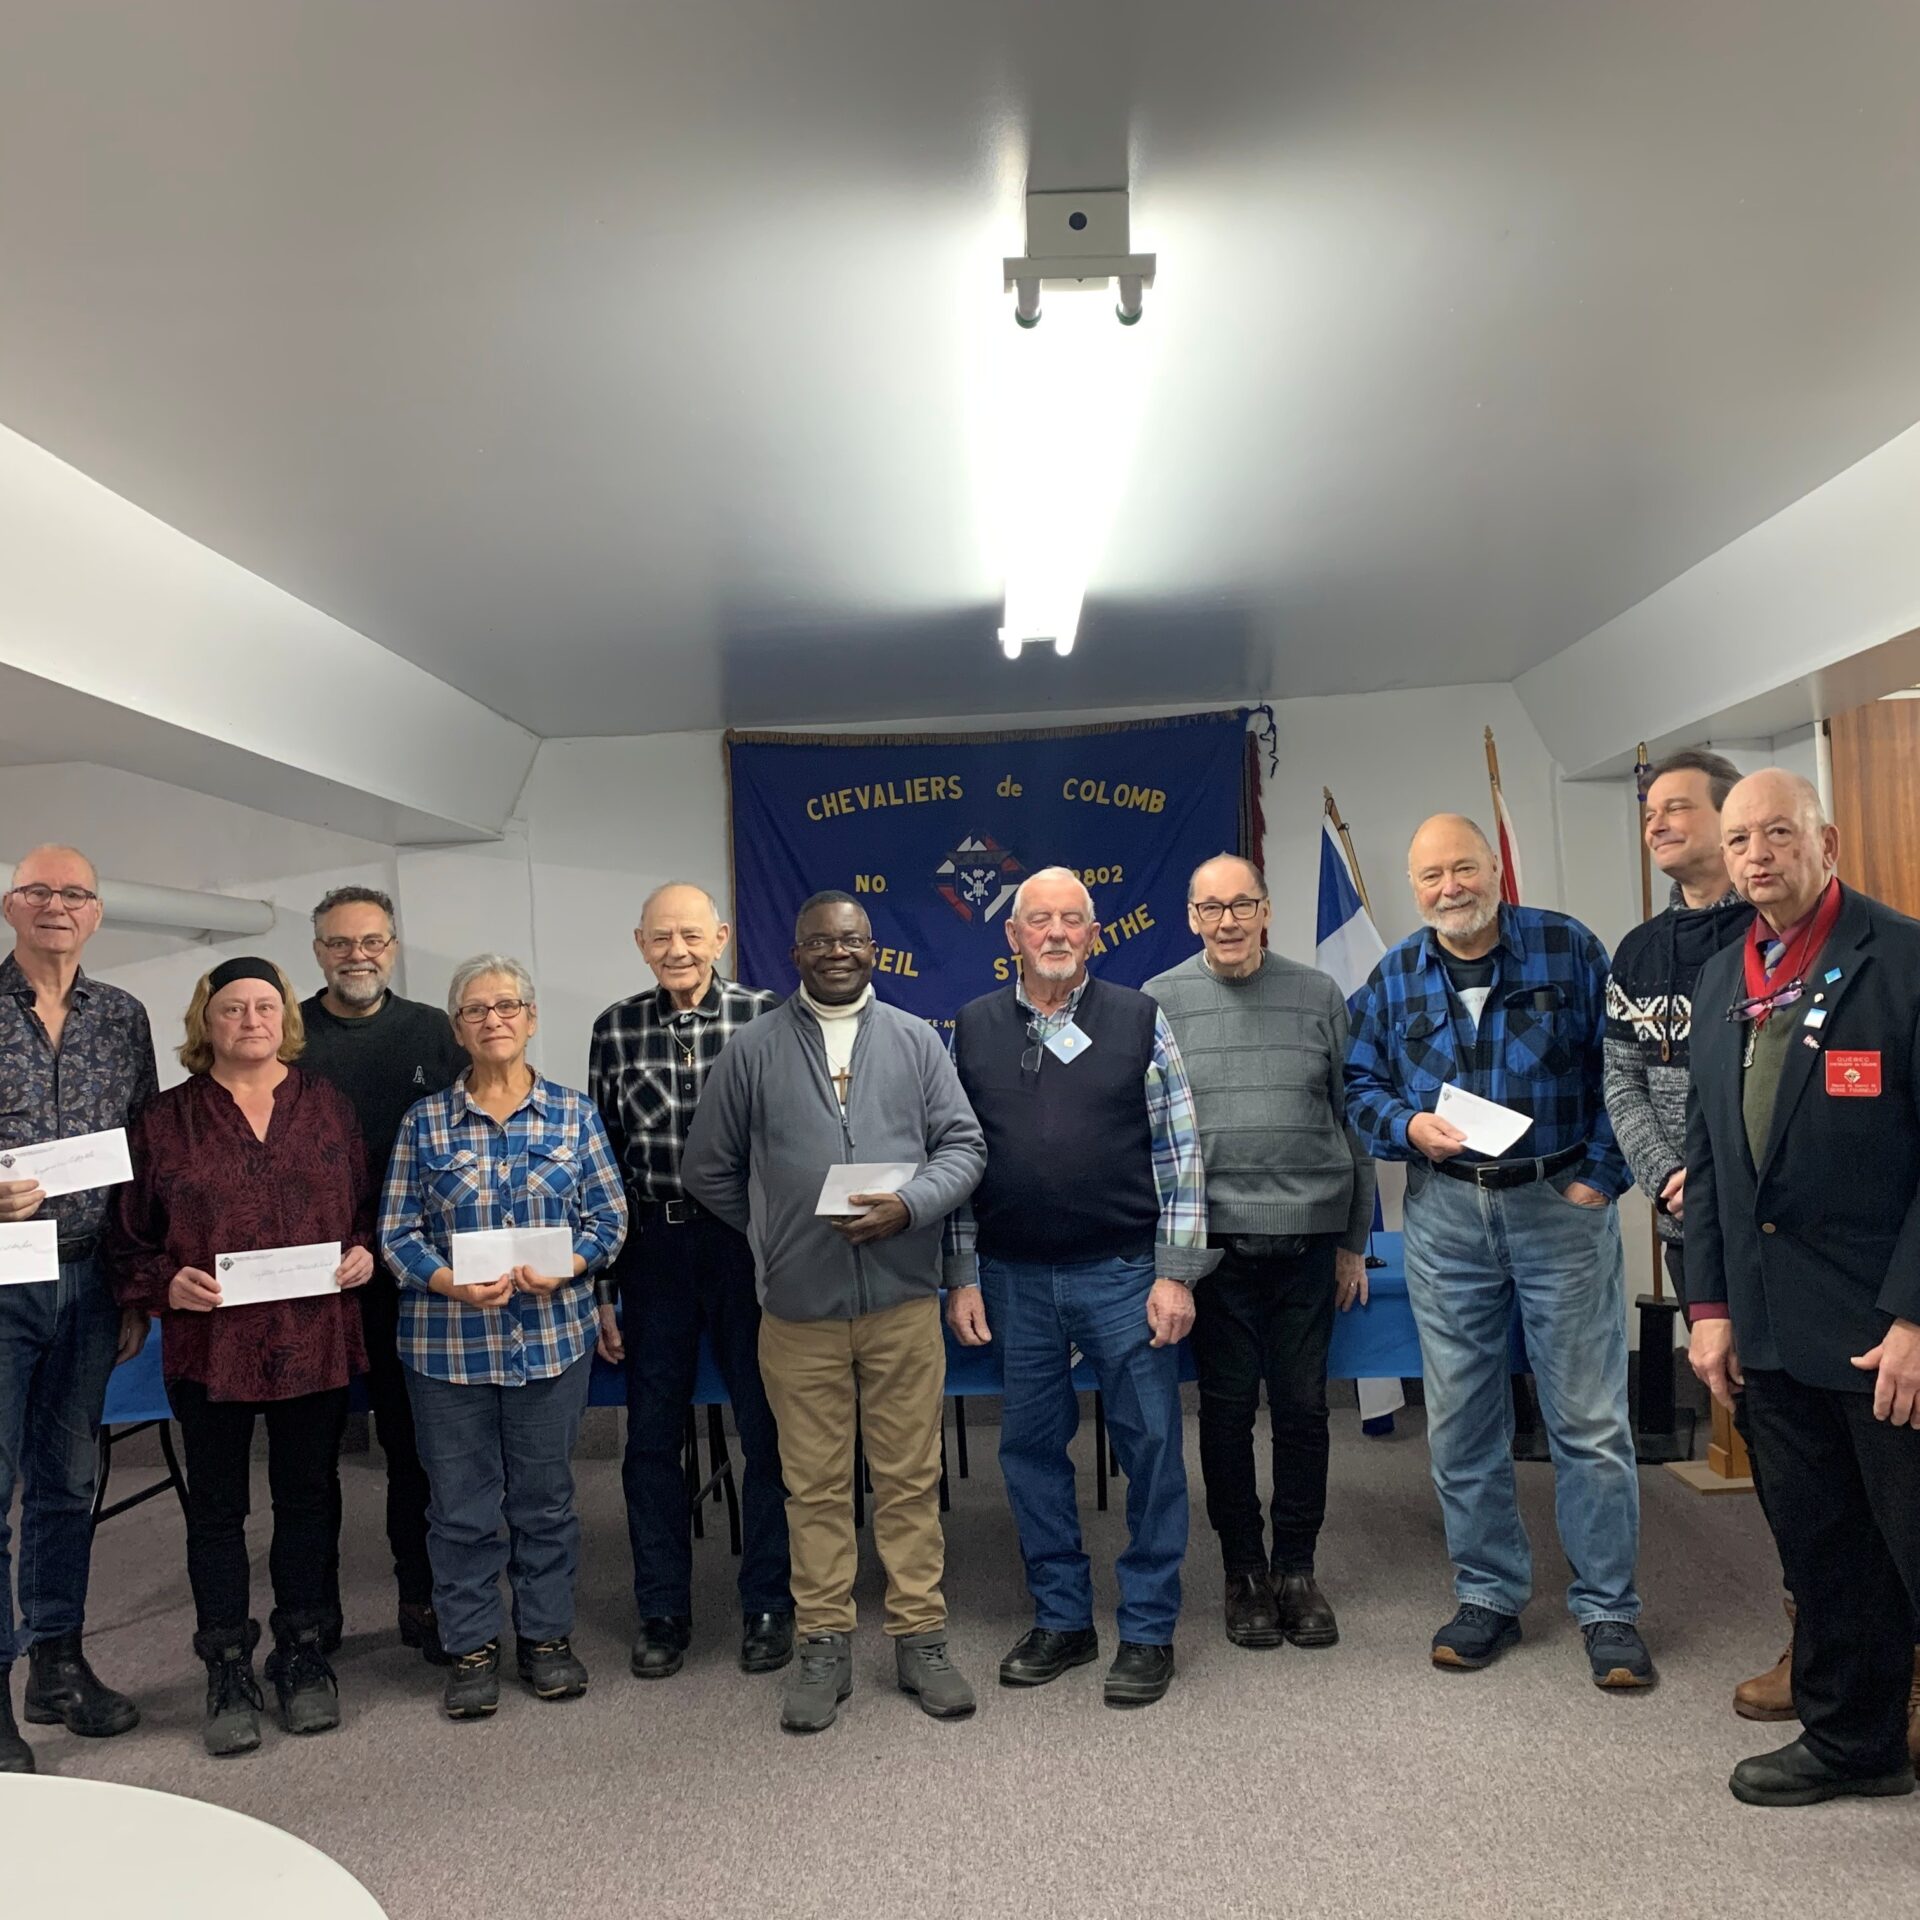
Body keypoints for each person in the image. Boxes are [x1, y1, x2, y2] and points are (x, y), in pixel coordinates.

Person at [1345, 815, 1653, 1689]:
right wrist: (1404, 1125)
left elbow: (1623, 1072)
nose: (1451, 888)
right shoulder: (1396, 973)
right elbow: (1356, 1084)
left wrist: (1601, 1175)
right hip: (1446, 1218)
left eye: (1465, 868)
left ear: (1495, 868)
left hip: (1561, 1206)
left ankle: (1609, 1610)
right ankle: (1487, 1594)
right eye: (1433, 875)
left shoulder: (1567, 948)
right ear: (1416, 887)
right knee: (1461, 1419)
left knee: (1588, 1421)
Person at [682, 892, 985, 1735]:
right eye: (821, 940)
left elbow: (966, 1148)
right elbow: (708, 1169)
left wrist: (911, 1207)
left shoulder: (918, 1041)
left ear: (874, 950)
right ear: (796, 951)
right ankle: (824, 1641)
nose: (837, 952)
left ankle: (920, 1636)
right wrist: (774, 1233)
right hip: (799, 1312)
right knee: (811, 1485)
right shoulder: (752, 1050)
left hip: (900, 1304)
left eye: (851, 940)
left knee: (908, 1479)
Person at [1684, 769, 1920, 1805]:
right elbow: (1710, 1156)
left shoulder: (1902, 957)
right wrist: (1710, 1308)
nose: (1757, 855)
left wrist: (1918, 1313)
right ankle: (1852, 1742)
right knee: (1823, 1551)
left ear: (1824, 838)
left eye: (1778, 832)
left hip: (1884, 1331)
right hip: (1770, 1328)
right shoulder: (1723, 978)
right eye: (1739, 841)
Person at [948, 866, 1215, 1710]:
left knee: (1150, 1450)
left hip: (1124, 1274)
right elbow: (954, 1160)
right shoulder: (974, 1028)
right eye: (1039, 921)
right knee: (1028, 1452)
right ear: (1013, 936)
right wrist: (961, 1273)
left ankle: (1146, 1628)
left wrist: (1176, 1274)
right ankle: (1063, 1618)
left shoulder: (1140, 1019)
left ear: (1093, 935)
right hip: (1013, 1277)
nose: (1056, 933)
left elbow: (1181, 1157)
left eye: (1072, 920)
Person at [111, 958, 375, 1756]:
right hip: (210, 1345)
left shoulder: (326, 1106)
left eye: (265, 1006)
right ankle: (226, 1660)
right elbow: (129, 1238)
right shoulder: (163, 1120)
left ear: (285, 1015)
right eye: (233, 1009)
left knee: (307, 1495)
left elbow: (362, 1210)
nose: (251, 1020)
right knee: (217, 1510)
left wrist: (362, 1253)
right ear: (206, 1021)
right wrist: (166, 1284)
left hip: (312, 1334)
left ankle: (300, 1649)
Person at [379, 955, 627, 1721]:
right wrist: (448, 1279)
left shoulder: (573, 1114)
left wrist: (575, 1265)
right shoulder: (423, 1122)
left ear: (531, 1017)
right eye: (477, 1010)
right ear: (458, 1028)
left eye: (508, 1006)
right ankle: (472, 1647)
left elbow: (609, 1220)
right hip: (447, 1347)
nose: (494, 1020)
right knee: (458, 1508)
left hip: (552, 1340)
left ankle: (547, 1639)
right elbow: (396, 1233)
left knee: (547, 1501)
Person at [1604, 748, 1796, 1717]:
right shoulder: (1638, 952)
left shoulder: (1778, 934)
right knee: (1765, 1428)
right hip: (1696, 1228)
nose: (1658, 820)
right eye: (1650, 809)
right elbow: (1620, 1078)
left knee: (1846, 1435)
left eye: (1680, 806)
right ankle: (1818, 1632)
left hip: (1794, 1226)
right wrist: (1668, 1176)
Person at [1146, 854, 1376, 1652]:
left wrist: (1354, 1241)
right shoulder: (1160, 1003)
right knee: (1227, 1415)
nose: (1227, 921)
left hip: (1312, 1240)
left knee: (1306, 1411)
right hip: (1214, 1249)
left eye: (1241, 904)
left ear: (1267, 910)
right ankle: (1243, 1574)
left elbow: (1356, 1120)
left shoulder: (1318, 995)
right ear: (1190, 918)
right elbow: (1148, 1138)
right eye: (1210, 908)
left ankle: (1297, 1570)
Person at [588, 882, 791, 1682]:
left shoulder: (768, 1018)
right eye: (661, 936)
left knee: (767, 1432)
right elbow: (602, 1161)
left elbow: (791, 1139)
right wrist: (606, 1288)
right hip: (654, 1250)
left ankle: (770, 1601)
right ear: (641, 942)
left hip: (747, 1249)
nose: (678, 949)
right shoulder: (615, 1027)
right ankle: (663, 1608)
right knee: (649, 1441)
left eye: (692, 935)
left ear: (722, 936)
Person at [0, 847, 154, 1773]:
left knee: (67, 1484)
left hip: (92, 1280)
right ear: (11, 905)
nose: (57, 906)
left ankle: (57, 1663)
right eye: (39, 890)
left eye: (75, 894)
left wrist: (134, 1283)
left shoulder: (122, 1018)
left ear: (96, 915)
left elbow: (141, 1158)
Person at [298, 885, 466, 1665]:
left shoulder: (434, 1030)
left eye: (371, 941)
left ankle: (421, 1596)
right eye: (339, 943)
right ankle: (315, 1609)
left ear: (392, 948)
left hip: (409, 1275)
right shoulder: (287, 1030)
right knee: (312, 1452)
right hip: (312, 1277)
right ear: (318, 950)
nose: (356, 955)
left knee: (412, 1445)